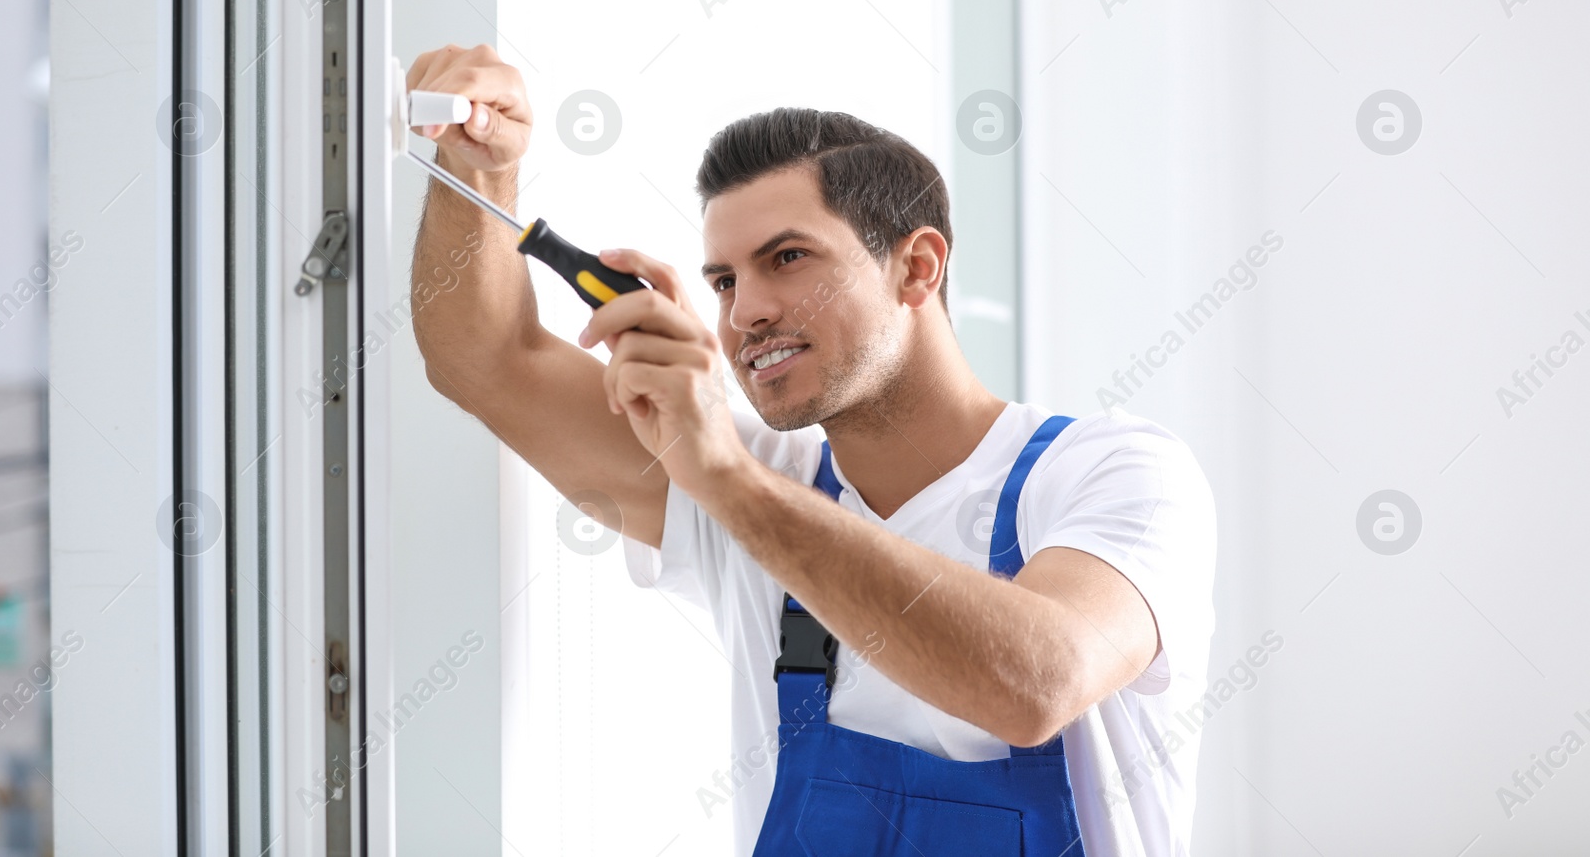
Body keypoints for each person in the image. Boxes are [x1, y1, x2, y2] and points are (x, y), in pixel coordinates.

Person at [406, 43, 1217, 856]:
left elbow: (1035, 685)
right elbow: (486, 363)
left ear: (918, 267)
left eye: (787, 258)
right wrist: (481, 172)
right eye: (723, 281)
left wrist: (723, 474)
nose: (746, 312)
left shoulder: (1115, 474)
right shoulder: (744, 479)